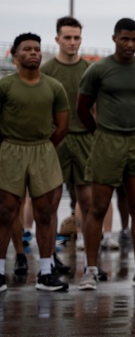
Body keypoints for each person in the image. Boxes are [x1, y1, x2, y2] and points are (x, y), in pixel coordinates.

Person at [77, 18, 135, 289]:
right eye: (125, 39)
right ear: (114, 38)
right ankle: (90, 270)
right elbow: (83, 108)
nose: (130, 44)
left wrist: (132, 130)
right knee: (98, 207)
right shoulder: (99, 70)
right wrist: (101, 133)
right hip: (106, 142)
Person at [0, 33, 70, 292]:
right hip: (10, 149)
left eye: (37, 49)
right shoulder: (6, 86)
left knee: (44, 212)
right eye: (27, 49)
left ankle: (45, 272)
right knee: (5, 211)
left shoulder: (54, 87)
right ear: (14, 54)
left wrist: (44, 148)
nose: (34, 53)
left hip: (43, 150)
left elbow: (62, 126)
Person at [40, 17, 92, 260]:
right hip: (56, 140)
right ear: (57, 39)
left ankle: (90, 260)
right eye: (68, 37)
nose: (72, 42)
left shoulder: (90, 71)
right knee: (51, 201)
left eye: (76, 37)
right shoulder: (46, 71)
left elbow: (97, 107)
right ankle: (48, 259)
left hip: (85, 139)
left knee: (88, 200)